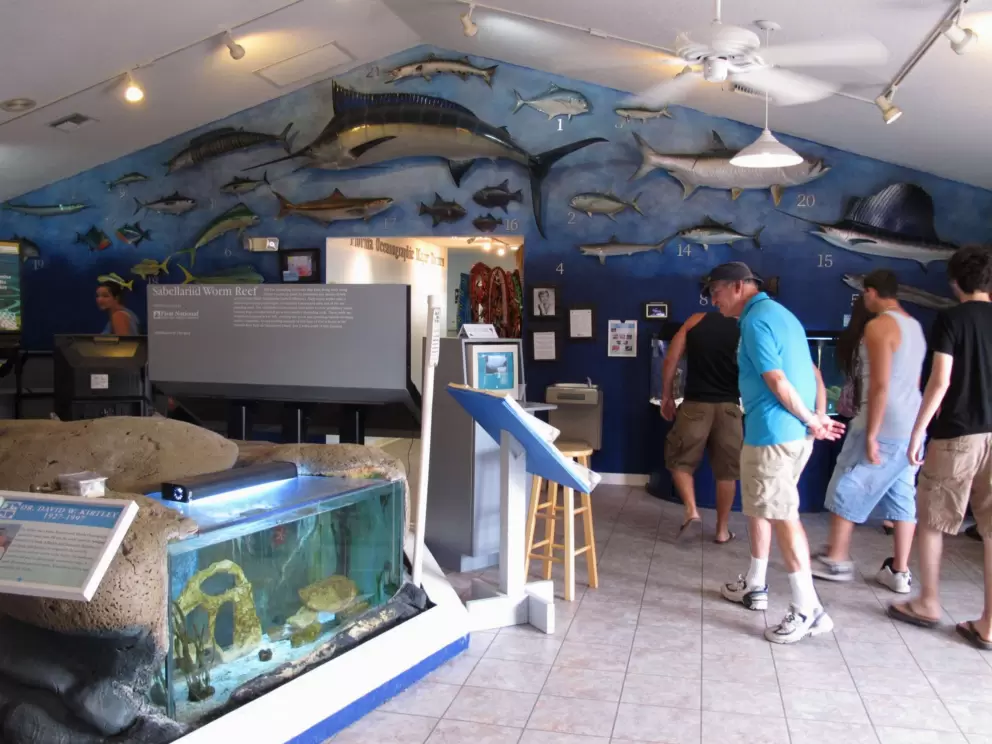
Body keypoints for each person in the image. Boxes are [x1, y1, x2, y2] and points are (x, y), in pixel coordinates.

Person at [706, 262, 845, 644]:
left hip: (774, 435)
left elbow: (777, 379)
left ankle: (808, 609)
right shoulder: (781, 315)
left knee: (784, 516)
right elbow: (814, 374)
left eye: (715, 291)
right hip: (789, 435)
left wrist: (812, 420)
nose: (712, 299)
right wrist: (815, 418)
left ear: (737, 287)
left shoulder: (755, 322)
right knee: (761, 507)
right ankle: (755, 584)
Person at [889, 245, 992, 649]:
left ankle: (928, 603)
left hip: (957, 434)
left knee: (931, 520)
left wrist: (919, 430)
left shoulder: (951, 319)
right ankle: (988, 624)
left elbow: (940, 380)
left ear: (954, 282)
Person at [813, 270, 926, 592]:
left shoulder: (879, 326)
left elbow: (879, 385)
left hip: (881, 424)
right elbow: (913, 383)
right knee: (902, 496)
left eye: (865, 294)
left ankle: (836, 559)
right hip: (911, 425)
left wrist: (873, 434)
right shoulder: (914, 327)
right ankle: (899, 572)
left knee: (846, 485)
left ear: (872, 292)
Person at [660, 310, 742, 544]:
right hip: (730, 407)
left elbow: (671, 359)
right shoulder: (744, 324)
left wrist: (667, 396)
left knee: (679, 461)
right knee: (727, 473)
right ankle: (722, 530)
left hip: (695, 405)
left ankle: (692, 511)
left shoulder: (694, 321)